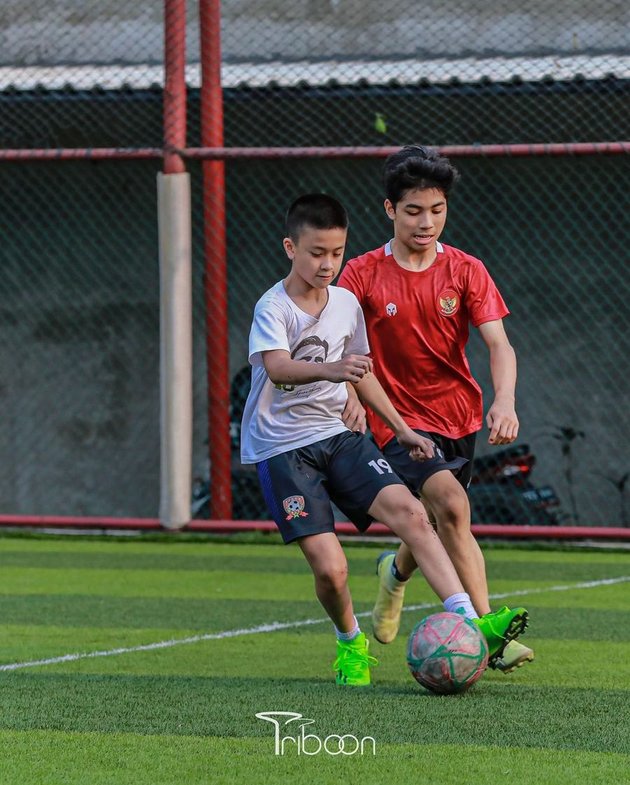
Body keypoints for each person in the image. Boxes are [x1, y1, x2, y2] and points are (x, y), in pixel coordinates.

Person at [240, 192, 529, 686]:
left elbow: (364, 374)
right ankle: (351, 643)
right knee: (331, 571)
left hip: (339, 434)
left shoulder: (347, 302)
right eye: (316, 253)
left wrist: (400, 430)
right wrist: (335, 371)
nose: (328, 264)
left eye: (336, 253)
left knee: (416, 515)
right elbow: (279, 368)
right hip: (283, 447)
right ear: (291, 248)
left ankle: (475, 621)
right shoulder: (273, 307)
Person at [337, 146, 534, 674]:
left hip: (458, 415)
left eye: (437, 210)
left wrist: (505, 400)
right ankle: (489, 631)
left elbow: (499, 344)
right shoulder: (360, 275)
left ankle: (395, 574)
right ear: (389, 210)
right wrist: (353, 399)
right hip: (393, 419)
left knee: (436, 519)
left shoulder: (466, 270)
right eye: (414, 211)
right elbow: (339, 348)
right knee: (450, 506)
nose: (427, 223)